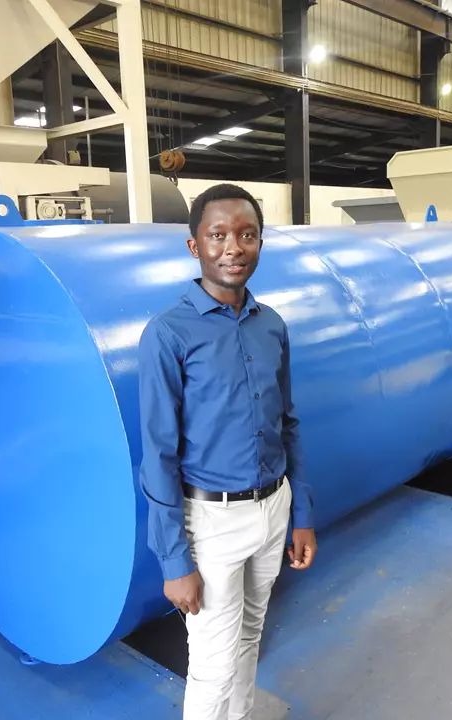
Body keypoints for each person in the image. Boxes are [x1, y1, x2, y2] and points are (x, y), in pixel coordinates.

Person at [138, 183, 317, 720]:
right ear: (195, 246)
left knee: (250, 636)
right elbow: (158, 453)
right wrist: (174, 559)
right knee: (213, 666)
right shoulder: (168, 334)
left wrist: (301, 515)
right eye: (218, 236)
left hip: (273, 507)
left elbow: (287, 423)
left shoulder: (272, 326)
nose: (233, 248)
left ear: (260, 242)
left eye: (247, 235)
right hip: (212, 522)